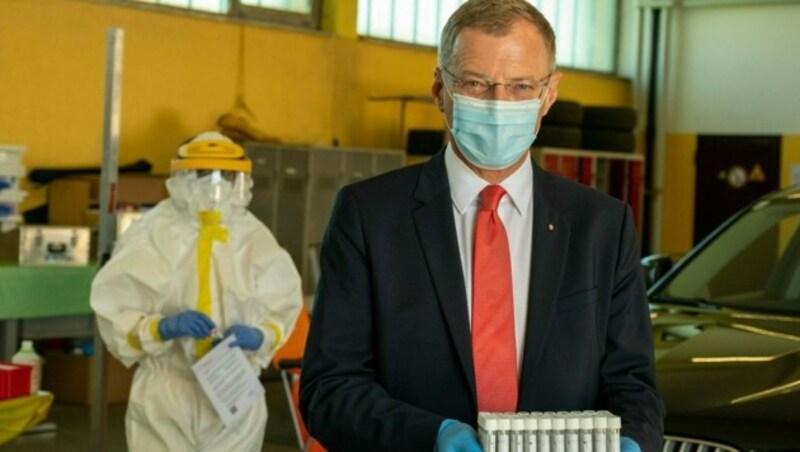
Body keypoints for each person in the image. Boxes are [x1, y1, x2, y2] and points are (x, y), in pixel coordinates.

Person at [299, 0, 664, 450]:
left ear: (549, 93)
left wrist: (633, 441)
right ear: (439, 89)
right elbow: (328, 390)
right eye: (476, 83)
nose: (498, 104)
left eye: (520, 85)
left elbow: (634, 386)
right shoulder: (370, 216)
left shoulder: (602, 226)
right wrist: (431, 437)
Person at [91, 131, 302, 451]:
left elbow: (283, 305)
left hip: (233, 386)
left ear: (240, 179)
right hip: (167, 392)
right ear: (182, 176)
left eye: (225, 175)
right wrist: (159, 327)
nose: (214, 185)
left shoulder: (252, 236)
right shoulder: (152, 232)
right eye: (204, 174)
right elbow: (113, 305)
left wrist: (259, 336)